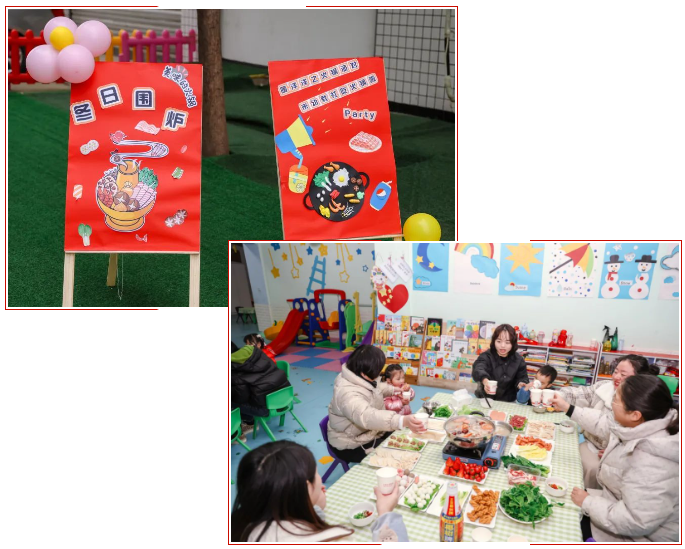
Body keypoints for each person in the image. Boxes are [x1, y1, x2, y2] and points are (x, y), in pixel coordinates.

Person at [567, 376, 678, 542]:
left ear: (635, 415)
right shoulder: (642, 424)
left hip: (634, 536)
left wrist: (587, 502)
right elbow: (602, 423)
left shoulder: (654, 460)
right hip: (611, 506)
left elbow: (634, 521)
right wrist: (568, 408)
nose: (611, 404)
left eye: (615, 399)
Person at [231, 441, 410, 542]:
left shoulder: (241, 528)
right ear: (307, 487)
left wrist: (309, 506)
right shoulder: (330, 539)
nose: (321, 481)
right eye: (316, 474)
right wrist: (385, 513)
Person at [553, 354, 656, 489]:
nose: (616, 377)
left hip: (611, 452)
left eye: (623, 374)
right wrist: (560, 395)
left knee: (589, 467)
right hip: (589, 441)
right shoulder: (605, 386)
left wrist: (613, 452)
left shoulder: (638, 401)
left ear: (638, 379)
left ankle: (586, 496)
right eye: (615, 371)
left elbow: (607, 425)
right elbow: (582, 394)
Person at [328, 345, 427, 464]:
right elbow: (367, 416)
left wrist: (396, 390)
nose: (379, 374)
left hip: (370, 433)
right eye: (378, 371)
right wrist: (401, 420)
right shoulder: (348, 395)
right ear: (365, 373)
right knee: (396, 456)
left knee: (405, 440)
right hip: (352, 443)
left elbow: (376, 387)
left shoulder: (357, 374)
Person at [231, 344, 290, 435]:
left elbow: (241, 398)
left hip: (266, 409)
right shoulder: (256, 354)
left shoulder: (234, 370)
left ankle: (249, 423)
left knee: (232, 402)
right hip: (285, 398)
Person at [471, 324, 529, 402]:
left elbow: (523, 377)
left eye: (507, 342)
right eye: (498, 341)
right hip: (485, 400)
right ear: (494, 341)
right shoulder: (486, 356)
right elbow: (478, 368)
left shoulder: (519, 360)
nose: (502, 346)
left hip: (508, 402)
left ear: (513, 343)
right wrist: (485, 381)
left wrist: (521, 383)